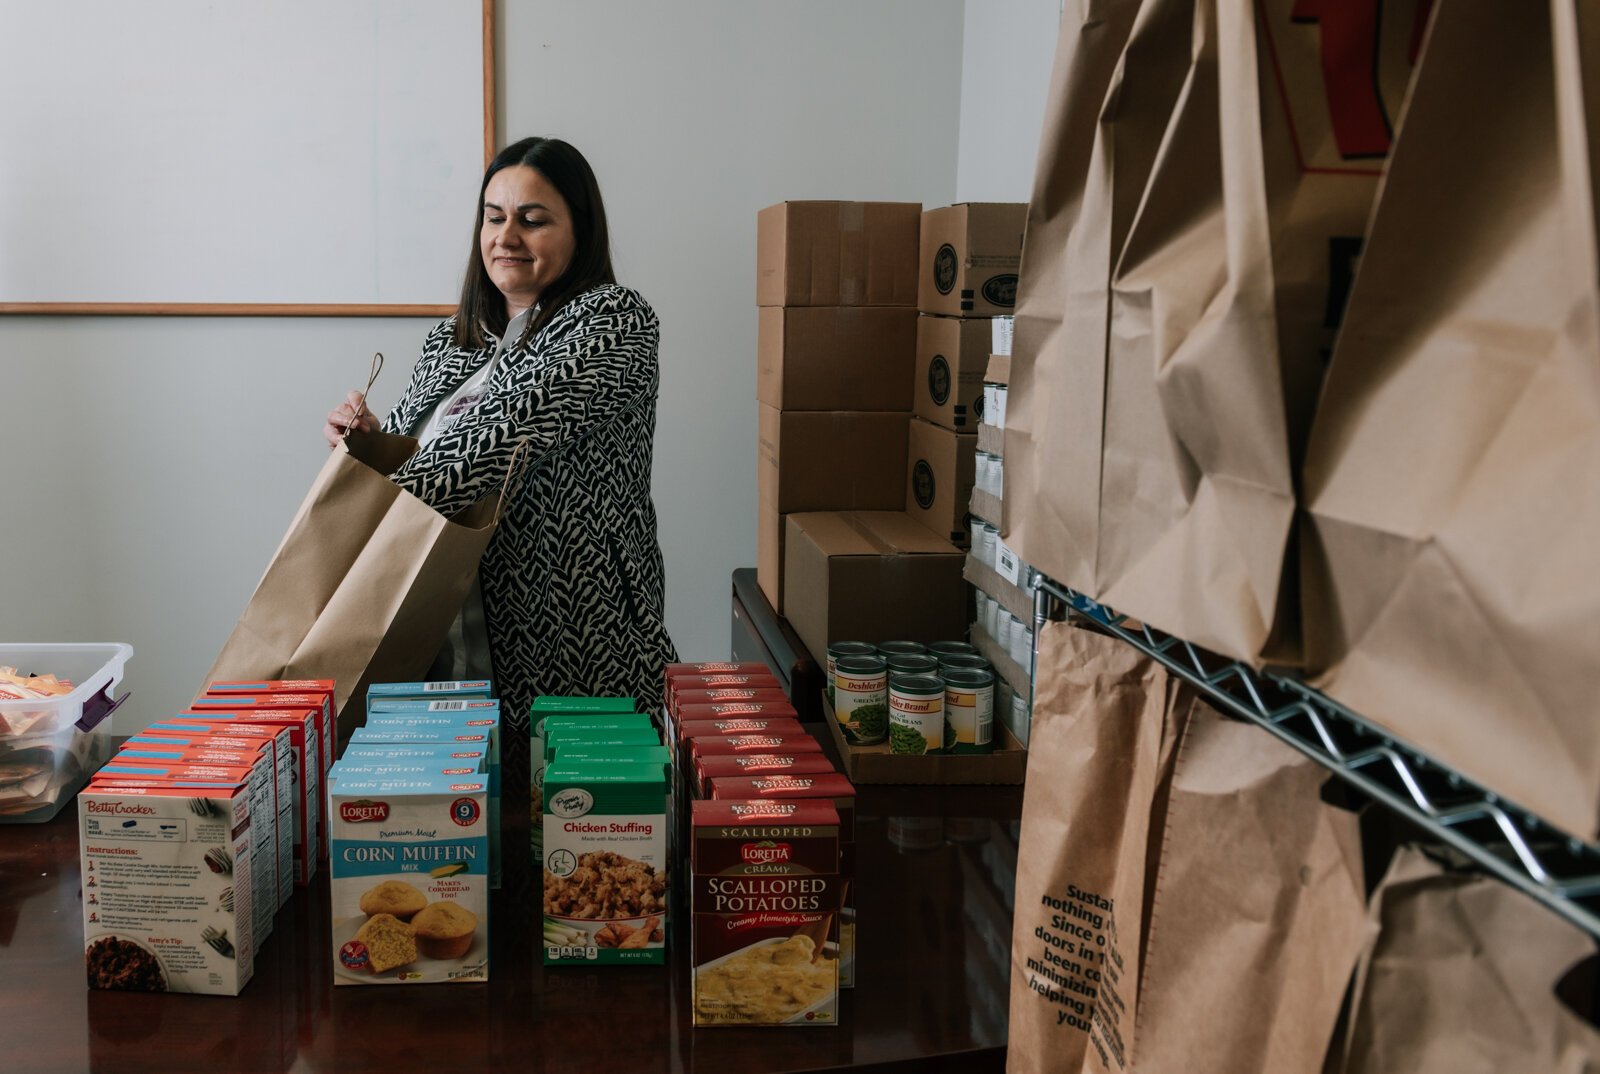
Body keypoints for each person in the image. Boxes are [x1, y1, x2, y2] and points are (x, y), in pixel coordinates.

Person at [324, 136, 677, 777]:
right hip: (448, 646)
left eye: (533, 219)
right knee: (458, 842)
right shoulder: (448, 343)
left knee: (575, 847)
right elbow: (426, 452)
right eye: (494, 216)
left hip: (573, 641)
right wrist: (370, 443)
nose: (506, 235)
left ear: (580, 229)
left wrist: (367, 494)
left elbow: (495, 438)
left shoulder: (614, 321)